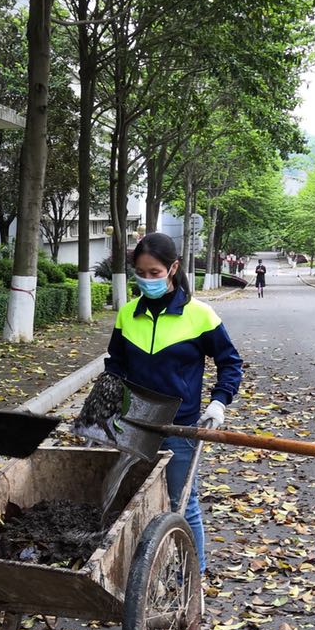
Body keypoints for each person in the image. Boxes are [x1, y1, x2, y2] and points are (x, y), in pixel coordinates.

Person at [104, 231, 243, 572]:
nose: (148, 280)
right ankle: (138, 576)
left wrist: (219, 402)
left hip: (180, 426)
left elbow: (230, 362)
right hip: (135, 424)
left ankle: (191, 581)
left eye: (155, 273)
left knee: (183, 504)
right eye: (141, 273)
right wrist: (107, 401)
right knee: (130, 501)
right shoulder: (128, 314)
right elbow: (115, 364)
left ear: (173, 268)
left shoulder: (200, 315)